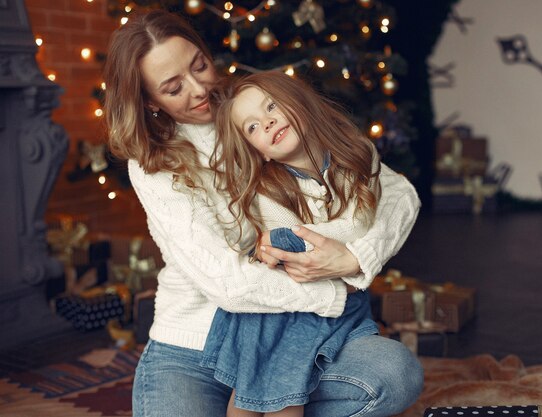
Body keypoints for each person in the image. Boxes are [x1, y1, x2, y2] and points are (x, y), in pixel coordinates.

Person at [102, 9, 423, 417]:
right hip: (193, 344)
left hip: (300, 331)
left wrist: (356, 258)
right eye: (173, 87)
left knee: (393, 375)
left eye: (199, 65)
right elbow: (227, 284)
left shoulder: (257, 110)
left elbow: (394, 188)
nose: (199, 88)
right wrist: (337, 289)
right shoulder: (152, 163)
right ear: (149, 101)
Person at [204, 71, 390, 416]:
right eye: (253, 127)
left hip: (333, 309)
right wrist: (346, 251)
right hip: (279, 308)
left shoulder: (357, 152)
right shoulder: (267, 190)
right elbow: (298, 249)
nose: (268, 121)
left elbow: (362, 221)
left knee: (286, 396)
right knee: (261, 396)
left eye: (271, 105)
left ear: (298, 100)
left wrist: (337, 248)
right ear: (258, 153)